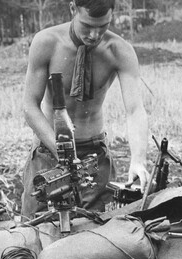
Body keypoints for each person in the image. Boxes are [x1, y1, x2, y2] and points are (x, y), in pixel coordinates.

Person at [21, 0, 150, 220]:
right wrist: (61, 151)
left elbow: (135, 110)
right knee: (36, 231)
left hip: (94, 157)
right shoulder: (46, 43)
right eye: (87, 25)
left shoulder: (119, 51)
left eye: (103, 26)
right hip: (49, 153)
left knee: (101, 233)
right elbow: (29, 105)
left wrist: (138, 159)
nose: (94, 35)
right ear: (73, 9)